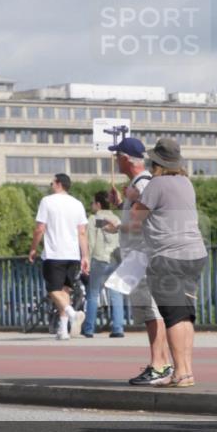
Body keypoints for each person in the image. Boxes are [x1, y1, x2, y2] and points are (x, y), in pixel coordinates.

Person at [129, 138, 207, 388]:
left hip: (168, 257)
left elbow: (135, 218)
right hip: (194, 254)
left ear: (156, 162)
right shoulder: (186, 182)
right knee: (185, 316)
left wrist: (132, 196)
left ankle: (180, 373)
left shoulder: (156, 184)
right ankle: (188, 371)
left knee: (173, 316)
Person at [107, 137, 172, 385]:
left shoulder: (143, 184)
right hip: (141, 256)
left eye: (117, 157)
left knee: (151, 312)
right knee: (149, 311)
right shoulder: (139, 184)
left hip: (143, 257)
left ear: (125, 158)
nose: (116, 161)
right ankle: (161, 363)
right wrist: (123, 204)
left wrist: (118, 223)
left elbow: (148, 219)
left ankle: (158, 364)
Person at [27, 173, 90, 340]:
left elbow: (40, 228)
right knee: (65, 291)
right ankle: (63, 330)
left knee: (53, 290)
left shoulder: (47, 201)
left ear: (58, 184)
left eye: (52, 182)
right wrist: (85, 256)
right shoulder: (78, 204)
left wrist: (33, 248)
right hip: (73, 254)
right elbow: (82, 232)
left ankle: (71, 313)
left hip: (54, 252)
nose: (50, 185)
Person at [83, 191, 124, 338]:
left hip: (99, 259)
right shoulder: (116, 219)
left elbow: (91, 242)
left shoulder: (94, 219)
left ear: (99, 204)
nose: (92, 205)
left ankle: (89, 329)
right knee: (116, 293)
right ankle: (118, 328)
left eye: (93, 202)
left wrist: (86, 259)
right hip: (115, 260)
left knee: (93, 293)